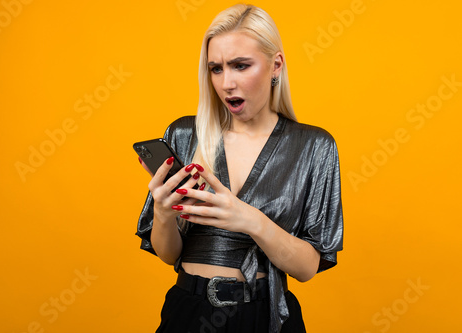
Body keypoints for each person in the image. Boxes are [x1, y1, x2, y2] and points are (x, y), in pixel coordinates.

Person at [136, 4, 343, 333]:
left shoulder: (314, 147)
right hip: (188, 311)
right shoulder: (184, 134)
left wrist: (251, 221)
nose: (226, 82)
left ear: (276, 66)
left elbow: (307, 268)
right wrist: (163, 214)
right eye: (215, 69)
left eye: (240, 66)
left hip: (265, 315)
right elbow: (168, 254)